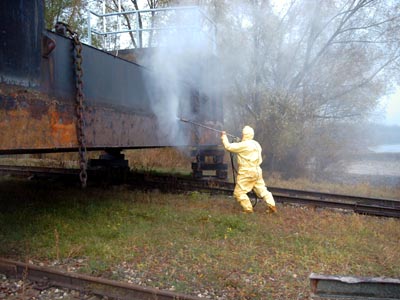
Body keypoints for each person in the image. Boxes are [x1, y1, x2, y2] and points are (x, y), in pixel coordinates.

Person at [221, 126, 277, 214]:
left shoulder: (243, 145)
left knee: (239, 193)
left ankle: (248, 210)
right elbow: (245, 148)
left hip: (246, 172)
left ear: (244, 134)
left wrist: (224, 136)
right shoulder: (256, 144)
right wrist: (239, 142)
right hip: (257, 171)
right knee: (262, 190)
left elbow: (228, 147)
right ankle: (272, 205)